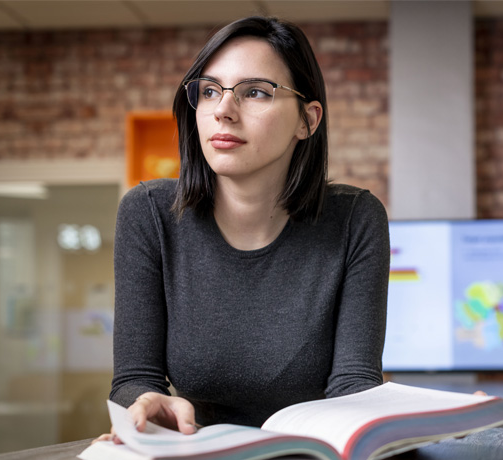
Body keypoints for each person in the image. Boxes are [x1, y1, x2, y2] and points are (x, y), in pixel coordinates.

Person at [96, 16, 389, 442]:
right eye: (210, 90)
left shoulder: (356, 219)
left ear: (307, 120)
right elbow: (133, 381)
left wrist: (429, 418)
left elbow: (354, 384)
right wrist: (145, 406)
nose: (223, 111)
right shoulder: (149, 214)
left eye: (254, 92)